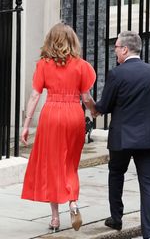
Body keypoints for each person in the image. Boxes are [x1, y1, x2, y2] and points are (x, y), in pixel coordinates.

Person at [20, 23, 96, 233]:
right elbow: (86, 97)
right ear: (73, 41)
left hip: (51, 114)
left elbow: (35, 96)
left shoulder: (43, 65)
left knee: (52, 164)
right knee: (69, 164)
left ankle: (54, 218)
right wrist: (94, 111)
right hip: (74, 114)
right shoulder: (81, 66)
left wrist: (26, 125)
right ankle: (72, 202)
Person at [93, 31, 150, 238]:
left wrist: (91, 105)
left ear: (125, 49)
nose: (115, 51)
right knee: (149, 182)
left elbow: (104, 106)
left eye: (116, 47)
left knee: (116, 174)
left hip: (123, 138)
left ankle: (116, 218)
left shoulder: (117, 74)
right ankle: (149, 234)